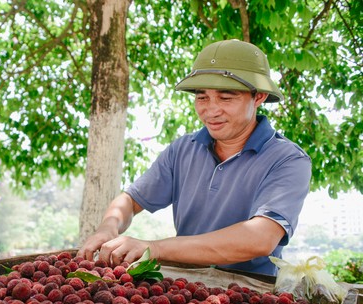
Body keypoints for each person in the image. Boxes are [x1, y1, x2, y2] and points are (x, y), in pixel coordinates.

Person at [77, 39, 311, 278]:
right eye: (202, 97)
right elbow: (130, 200)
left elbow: (259, 239)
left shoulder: (289, 160)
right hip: (184, 285)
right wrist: (108, 228)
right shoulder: (183, 149)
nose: (211, 110)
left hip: (251, 292)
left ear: (258, 97)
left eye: (225, 97)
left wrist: (154, 248)